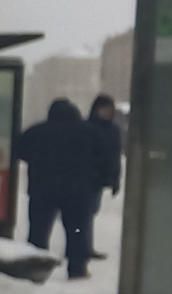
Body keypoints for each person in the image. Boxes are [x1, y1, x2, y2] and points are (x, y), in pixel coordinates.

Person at [14, 98, 118, 280]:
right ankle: (77, 269)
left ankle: (36, 268)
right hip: (78, 192)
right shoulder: (90, 132)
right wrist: (104, 179)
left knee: (38, 230)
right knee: (77, 231)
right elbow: (106, 158)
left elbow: (19, 151)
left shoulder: (37, 131)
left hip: (43, 190)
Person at [87, 96, 122, 260]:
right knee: (86, 213)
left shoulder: (113, 130)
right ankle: (84, 247)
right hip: (88, 177)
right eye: (105, 109)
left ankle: (85, 246)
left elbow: (115, 156)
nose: (108, 112)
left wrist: (115, 179)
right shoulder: (89, 128)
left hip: (99, 177)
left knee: (91, 211)